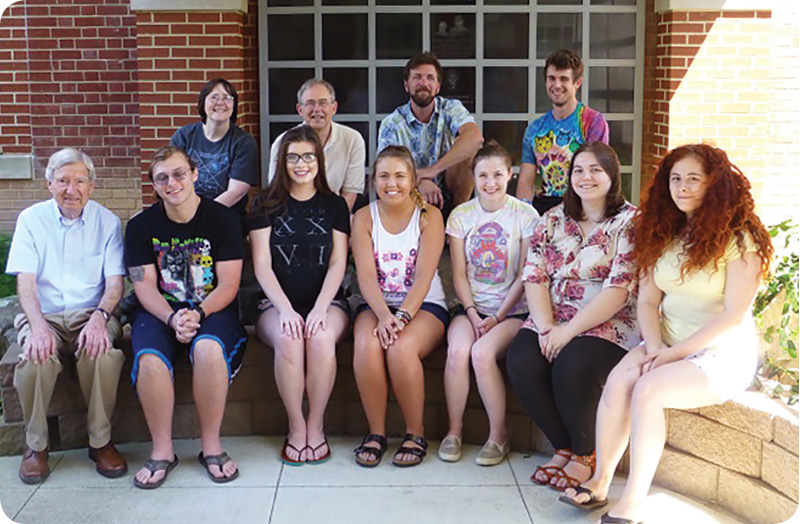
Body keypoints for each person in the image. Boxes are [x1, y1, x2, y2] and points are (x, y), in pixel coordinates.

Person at [560, 144, 774, 524]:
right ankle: (599, 482)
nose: (682, 187)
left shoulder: (740, 240)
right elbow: (646, 302)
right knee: (618, 381)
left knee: (648, 389)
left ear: (715, 184)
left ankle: (634, 501)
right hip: (666, 340)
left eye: (694, 179)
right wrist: (655, 347)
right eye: (675, 179)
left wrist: (670, 356)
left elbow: (732, 315)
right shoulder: (663, 231)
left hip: (719, 351)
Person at [506, 142, 640, 491]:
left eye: (596, 169)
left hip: (606, 320)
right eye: (578, 170)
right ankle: (563, 446)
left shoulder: (630, 222)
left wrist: (567, 333)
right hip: (552, 314)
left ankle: (585, 454)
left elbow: (620, 288)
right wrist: (548, 326)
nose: (586, 177)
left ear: (612, 175)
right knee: (522, 359)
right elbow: (534, 275)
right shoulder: (552, 219)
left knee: (571, 366)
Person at [125, 146, 247, 489]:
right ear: (154, 185)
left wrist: (197, 312)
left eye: (179, 174)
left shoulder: (223, 220)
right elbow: (144, 285)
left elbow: (230, 283)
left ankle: (211, 447)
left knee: (208, 349)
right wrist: (171, 319)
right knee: (150, 359)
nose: (172, 183)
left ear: (194, 174)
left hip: (212, 310)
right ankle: (163, 451)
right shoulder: (140, 226)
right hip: (160, 312)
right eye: (162, 178)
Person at [7, 148, 127, 484]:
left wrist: (101, 318)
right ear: (49, 184)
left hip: (93, 313)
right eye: (62, 180)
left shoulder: (108, 222)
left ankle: (100, 442)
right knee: (35, 358)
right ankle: (36, 446)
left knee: (102, 356)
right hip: (43, 314)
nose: (70, 189)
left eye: (79, 181)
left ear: (92, 185)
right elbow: (26, 284)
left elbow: (115, 284)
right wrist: (38, 327)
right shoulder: (31, 220)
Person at [250, 126, 350, 465]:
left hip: (328, 302)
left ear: (319, 161)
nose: (301, 164)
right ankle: (296, 427)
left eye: (308, 156)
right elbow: (262, 266)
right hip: (275, 304)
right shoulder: (264, 204)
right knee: (290, 337)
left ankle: (316, 426)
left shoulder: (334, 205)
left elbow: (338, 261)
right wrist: (287, 311)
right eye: (293, 157)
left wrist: (320, 308)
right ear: (282, 162)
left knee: (320, 338)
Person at [439, 141, 539, 466]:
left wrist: (496, 316)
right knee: (457, 351)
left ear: (510, 175)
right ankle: (453, 431)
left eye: (497, 174)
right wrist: (471, 313)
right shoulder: (461, 216)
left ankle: (498, 435)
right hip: (471, 308)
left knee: (482, 354)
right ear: (474, 177)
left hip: (512, 311)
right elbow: (458, 275)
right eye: (483, 175)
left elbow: (524, 274)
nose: (490, 182)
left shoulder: (525, 215)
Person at [351, 146, 448, 468]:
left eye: (400, 176)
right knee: (366, 344)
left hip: (424, 306)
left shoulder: (429, 216)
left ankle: (414, 433)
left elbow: (424, 275)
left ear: (413, 180)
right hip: (378, 305)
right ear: (373, 180)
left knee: (401, 348)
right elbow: (365, 275)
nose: (391, 183)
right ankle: (376, 433)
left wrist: (402, 317)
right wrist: (383, 316)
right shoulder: (364, 217)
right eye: (383, 176)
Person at [377, 52, 483, 214]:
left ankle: (458, 218)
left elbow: (475, 137)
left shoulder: (451, 109)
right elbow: (385, 170)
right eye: (417, 77)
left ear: (438, 86)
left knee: (468, 152)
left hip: (450, 193)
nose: (423, 83)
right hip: (408, 196)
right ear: (406, 85)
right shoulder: (392, 123)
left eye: (430, 78)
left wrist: (432, 171)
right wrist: (419, 181)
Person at [516, 49, 609, 216]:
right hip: (546, 206)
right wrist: (523, 217)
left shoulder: (592, 122)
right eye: (552, 78)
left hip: (581, 204)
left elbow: (598, 174)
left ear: (577, 83)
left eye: (564, 79)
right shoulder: (535, 129)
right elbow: (525, 180)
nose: (557, 85)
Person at [268, 79, 366, 212]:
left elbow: (349, 193)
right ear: (299, 109)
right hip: (291, 215)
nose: (317, 109)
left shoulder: (352, 140)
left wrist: (334, 223)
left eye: (323, 103)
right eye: (310, 103)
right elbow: (277, 192)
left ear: (334, 108)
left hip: (334, 216)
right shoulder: (282, 143)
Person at [170, 78, 259, 218]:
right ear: (203, 103)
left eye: (227, 98)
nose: (220, 103)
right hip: (184, 211)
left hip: (225, 215)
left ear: (234, 105)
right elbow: (172, 178)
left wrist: (201, 215)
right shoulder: (184, 136)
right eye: (214, 97)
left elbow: (236, 192)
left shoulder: (244, 142)